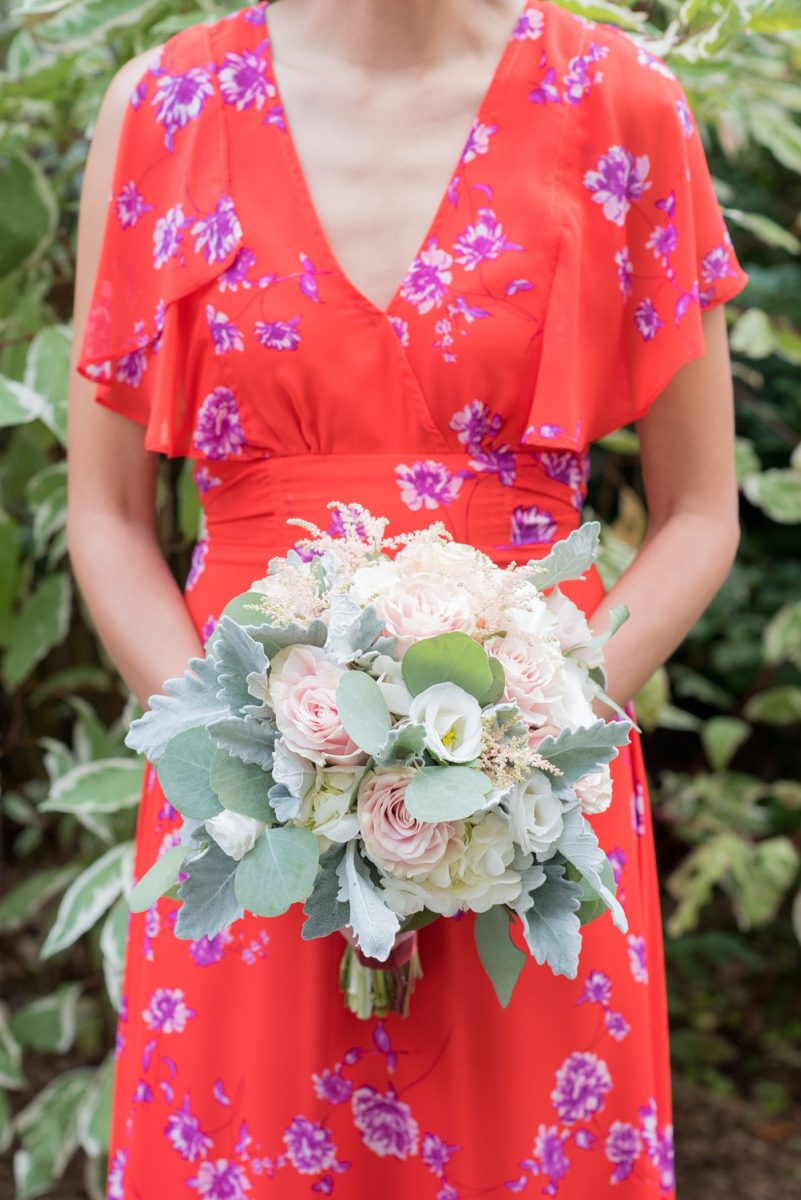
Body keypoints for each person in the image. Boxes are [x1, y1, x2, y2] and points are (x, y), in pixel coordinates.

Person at [67, 1, 748, 1196]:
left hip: (537, 807)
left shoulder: (622, 105)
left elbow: (699, 512)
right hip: (241, 801)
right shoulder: (163, 109)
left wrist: (523, 742)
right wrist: (252, 771)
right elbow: (109, 518)